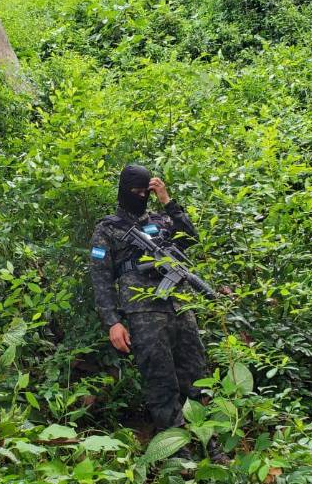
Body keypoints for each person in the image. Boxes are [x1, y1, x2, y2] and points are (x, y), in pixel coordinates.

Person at [90, 163, 228, 464]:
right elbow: (100, 280)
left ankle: (209, 442)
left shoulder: (161, 220)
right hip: (143, 313)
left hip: (179, 306)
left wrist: (167, 200)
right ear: (123, 191)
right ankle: (178, 453)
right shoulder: (108, 229)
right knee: (161, 381)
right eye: (135, 192)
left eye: (145, 192)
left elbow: (190, 238)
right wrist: (112, 322)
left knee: (197, 376)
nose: (140, 196)